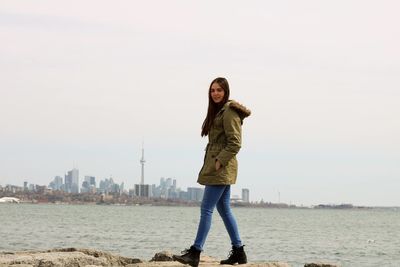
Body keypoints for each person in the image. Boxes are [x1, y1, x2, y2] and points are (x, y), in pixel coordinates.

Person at [173, 77, 251, 267]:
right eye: (213, 90)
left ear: (226, 92)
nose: (215, 93)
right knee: (224, 209)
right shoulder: (219, 111)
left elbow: (235, 143)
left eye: (219, 90)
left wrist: (219, 161)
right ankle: (239, 252)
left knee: (206, 209)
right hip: (217, 165)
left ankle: (195, 252)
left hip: (221, 167)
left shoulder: (229, 111)